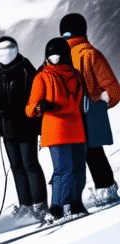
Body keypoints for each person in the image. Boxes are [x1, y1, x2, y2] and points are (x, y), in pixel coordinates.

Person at [0, 36, 49, 221]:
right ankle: (26, 206)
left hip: (25, 125)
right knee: (17, 167)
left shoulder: (26, 71)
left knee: (30, 165)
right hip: (8, 129)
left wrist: (3, 103)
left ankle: (40, 206)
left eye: (6, 48)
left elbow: (33, 96)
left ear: (15, 49)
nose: (2, 53)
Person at [61, 12, 120, 206]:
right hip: (89, 113)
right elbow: (112, 88)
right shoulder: (91, 53)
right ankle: (106, 190)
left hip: (69, 116)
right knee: (95, 153)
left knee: (77, 157)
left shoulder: (59, 58)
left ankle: (75, 199)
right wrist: (103, 102)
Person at [28, 37, 89, 219]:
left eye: (57, 54)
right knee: (64, 169)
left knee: (77, 169)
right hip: (57, 131)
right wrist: (40, 107)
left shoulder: (76, 76)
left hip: (75, 129)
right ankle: (56, 208)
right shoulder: (42, 77)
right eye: (50, 54)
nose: (53, 58)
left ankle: (75, 204)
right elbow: (30, 108)